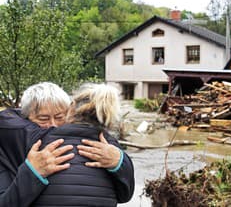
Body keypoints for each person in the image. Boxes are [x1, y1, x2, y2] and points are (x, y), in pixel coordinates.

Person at [0, 82, 134, 206]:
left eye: (59, 117)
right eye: (43, 119)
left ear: (70, 111)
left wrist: (119, 162)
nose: (52, 125)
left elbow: (125, 194)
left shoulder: (106, 147)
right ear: (24, 119)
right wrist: (32, 173)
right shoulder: (13, 143)